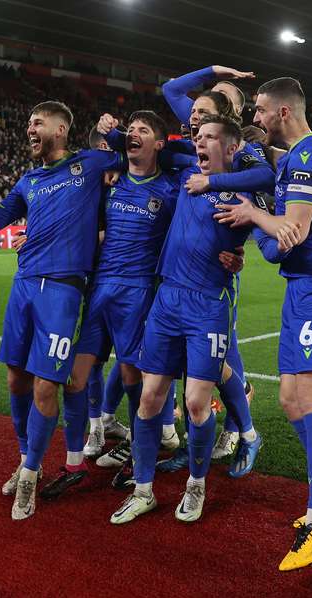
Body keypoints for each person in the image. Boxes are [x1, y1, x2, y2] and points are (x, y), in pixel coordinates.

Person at [0, 100, 126, 521]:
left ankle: (30, 475)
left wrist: (114, 132)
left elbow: (133, 154)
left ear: (61, 128)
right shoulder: (28, 181)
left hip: (63, 292)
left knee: (47, 387)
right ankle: (26, 456)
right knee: (16, 380)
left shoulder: (88, 165)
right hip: (24, 286)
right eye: (28, 122)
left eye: (37, 122)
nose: (29, 129)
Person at [215, 77, 312, 570]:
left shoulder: (305, 158)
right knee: (288, 399)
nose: (254, 117)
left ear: (281, 112)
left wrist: (253, 215)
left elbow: (292, 235)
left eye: (258, 109)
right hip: (301, 289)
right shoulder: (303, 153)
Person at [109, 115, 262, 525]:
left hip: (208, 305)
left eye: (211, 138)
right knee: (148, 398)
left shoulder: (245, 194)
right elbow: (140, 144)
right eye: (198, 136)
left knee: (196, 402)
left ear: (231, 149)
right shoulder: (184, 173)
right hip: (167, 299)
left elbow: (268, 201)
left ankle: (196, 485)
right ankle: (143, 491)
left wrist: (242, 256)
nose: (200, 142)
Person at [39, 110, 180, 499]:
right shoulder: (108, 182)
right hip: (99, 291)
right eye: (130, 128)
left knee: (136, 381)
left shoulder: (169, 189)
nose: (133, 133)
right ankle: (73, 464)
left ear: (158, 144)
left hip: (136, 294)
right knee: (75, 380)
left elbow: (192, 230)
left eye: (143, 130)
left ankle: (141, 456)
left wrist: (229, 255)